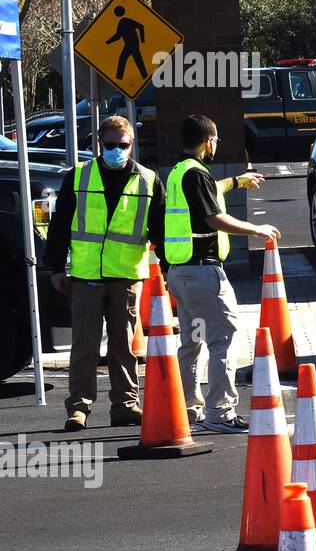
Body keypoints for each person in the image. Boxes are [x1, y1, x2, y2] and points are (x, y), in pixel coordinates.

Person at [43, 115, 165, 431]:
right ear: (99, 143)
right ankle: (79, 408)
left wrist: (170, 266)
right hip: (86, 275)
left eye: (122, 145)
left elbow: (161, 231)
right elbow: (59, 226)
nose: (116, 151)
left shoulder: (149, 180)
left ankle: (125, 405)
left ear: (131, 144)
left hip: (125, 275)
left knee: (123, 346)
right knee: (84, 345)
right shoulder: (79, 176)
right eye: (110, 145)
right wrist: (56, 267)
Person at [164, 115, 279, 433]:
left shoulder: (179, 172)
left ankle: (188, 407)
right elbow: (214, 217)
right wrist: (257, 229)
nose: (216, 146)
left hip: (181, 274)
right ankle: (220, 412)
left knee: (191, 343)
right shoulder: (196, 174)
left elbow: (211, 191)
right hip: (204, 275)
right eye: (215, 141)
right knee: (223, 341)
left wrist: (239, 181)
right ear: (207, 141)